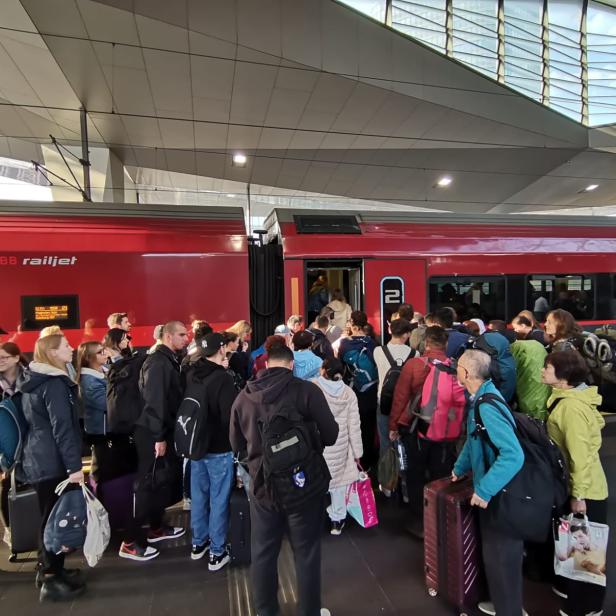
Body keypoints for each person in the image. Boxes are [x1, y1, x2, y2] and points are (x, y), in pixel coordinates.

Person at [230, 343, 338, 616]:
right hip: (303, 486)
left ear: (266, 365)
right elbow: (331, 434)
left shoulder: (244, 398)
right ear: (291, 365)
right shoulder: (306, 391)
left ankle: (266, 612)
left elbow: (236, 444)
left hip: (263, 488)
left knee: (264, 552)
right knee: (307, 552)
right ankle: (310, 612)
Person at [452, 350, 525, 616]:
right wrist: (460, 468)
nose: (455, 369)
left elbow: (513, 454)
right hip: (496, 490)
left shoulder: (485, 405)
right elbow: (475, 439)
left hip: (501, 495)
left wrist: (484, 489)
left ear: (467, 373)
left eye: (458, 366)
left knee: (501, 559)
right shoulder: (483, 397)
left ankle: (509, 610)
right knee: (496, 558)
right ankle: (504, 605)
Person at [19, 334, 86, 602]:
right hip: (52, 462)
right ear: (53, 353)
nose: (71, 349)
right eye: (66, 346)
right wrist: (74, 467)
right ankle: (50, 578)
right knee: (55, 520)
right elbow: (63, 429)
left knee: (48, 517)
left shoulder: (33, 381)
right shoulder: (54, 385)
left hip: (38, 458)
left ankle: (51, 569)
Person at [542, 351, 608, 616]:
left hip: (585, 489)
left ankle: (586, 606)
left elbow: (579, 457)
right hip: (577, 485)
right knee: (573, 544)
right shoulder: (568, 399)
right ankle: (570, 589)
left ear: (564, 377)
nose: (543, 371)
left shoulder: (570, 408)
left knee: (586, 552)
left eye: (547, 367)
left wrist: (578, 495)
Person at [119, 321, 188, 561]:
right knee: (148, 484)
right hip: (152, 432)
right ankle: (131, 541)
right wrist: (158, 436)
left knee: (160, 482)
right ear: (168, 336)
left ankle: (156, 527)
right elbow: (155, 401)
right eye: (181, 334)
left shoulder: (166, 360)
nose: (186, 338)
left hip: (160, 429)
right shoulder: (158, 363)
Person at [389, 327, 461, 537]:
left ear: (426, 344)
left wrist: (394, 426)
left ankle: (418, 521)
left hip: (417, 429)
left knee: (415, 474)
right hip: (446, 432)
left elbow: (400, 398)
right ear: (445, 345)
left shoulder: (414, 365)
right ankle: (440, 520)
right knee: (440, 475)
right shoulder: (454, 367)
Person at [186, 333, 238, 570]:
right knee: (219, 499)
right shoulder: (222, 379)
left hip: (195, 445)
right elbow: (230, 417)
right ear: (221, 350)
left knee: (199, 497)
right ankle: (217, 552)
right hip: (218, 446)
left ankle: (199, 543)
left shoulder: (191, 372)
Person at [312, 358, 362, 535]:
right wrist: (357, 452)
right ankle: (337, 520)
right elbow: (354, 425)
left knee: (316, 482)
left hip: (318, 443)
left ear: (323, 370)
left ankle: (312, 521)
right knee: (339, 483)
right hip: (340, 444)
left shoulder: (313, 388)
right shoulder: (348, 393)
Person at [338, 311, 379, 469]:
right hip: (370, 391)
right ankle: (368, 461)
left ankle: (354, 461)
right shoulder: (373, 343)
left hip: (352, 390)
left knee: (352, 426)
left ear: (352, 324)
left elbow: (341, 368)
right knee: (369, 427)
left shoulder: (344, 344)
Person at [373, 318, 415, 463]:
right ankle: (403, 476)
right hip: (405, 405)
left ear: (390, 331)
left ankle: (387, 481)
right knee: (403, 442)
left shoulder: (378, 351)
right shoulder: (414, 354)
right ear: (407, 334)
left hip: (383, 401)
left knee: (385, 442)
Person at [0, 342, 28, 546]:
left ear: (17, 358)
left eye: (5, 357)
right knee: (7, 485)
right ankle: (12, 530)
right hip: (6, 443)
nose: (1, 361)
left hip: (31, 439)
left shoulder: (30, 380)